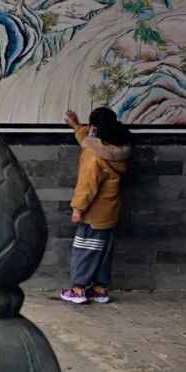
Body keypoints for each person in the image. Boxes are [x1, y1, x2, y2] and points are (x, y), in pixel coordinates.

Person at [61, 107, 132, 304]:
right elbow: (90, 141)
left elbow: (87, 185)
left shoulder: (93, 156)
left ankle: (78, 290)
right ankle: (100, 290)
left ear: (94, 128)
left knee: (85, 249)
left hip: (93, 214)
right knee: (103, 251)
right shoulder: (118, 150)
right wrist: (76, 126)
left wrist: (78, 209)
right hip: (110, 212)